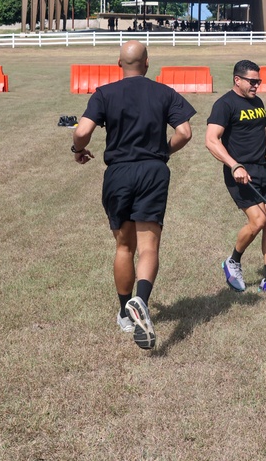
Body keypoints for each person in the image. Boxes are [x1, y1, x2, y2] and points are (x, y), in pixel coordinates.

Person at [72, 41, 196, 350]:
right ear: (147, 63)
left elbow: (82, 131)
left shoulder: (104, 93)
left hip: (119, 173)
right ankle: (141, 300)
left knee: (124, 246)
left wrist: (78, 150)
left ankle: (125, 313)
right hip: (154, 171)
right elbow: (185, 132)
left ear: (119, 63)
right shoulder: (164, 92)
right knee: (149, 247)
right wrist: (161, 152)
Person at [206, 60, 266, 298]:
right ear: (237, 80)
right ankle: (233, 261)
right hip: (241, 173)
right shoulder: (224, 105)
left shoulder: (257, 102)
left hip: (264, 169)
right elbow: (211, 140)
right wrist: (234, 166)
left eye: (258, 81)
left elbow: (261, 129)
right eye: (252, 81)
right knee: (258, 220)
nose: (257, 86)